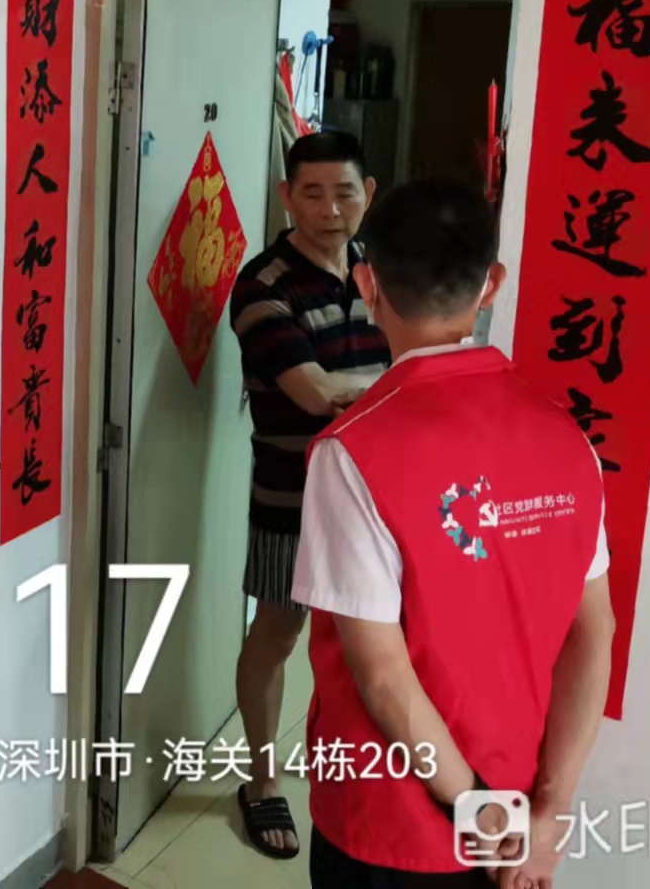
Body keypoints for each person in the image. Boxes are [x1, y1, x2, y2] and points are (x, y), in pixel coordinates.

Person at [292, 181, 615, 888]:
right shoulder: (568, 439)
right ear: (491, 283)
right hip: (517, 808)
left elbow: (383, 675)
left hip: (393, 824)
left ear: (366, 283)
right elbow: (595, 629)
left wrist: (481, 814)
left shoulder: (354, 452)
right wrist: (548, 812)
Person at [226, 129, 391, 858]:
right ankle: (261, 782)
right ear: (286, 196)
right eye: (313, 194)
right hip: (291, 496)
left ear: (368, 195)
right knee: (278, 631)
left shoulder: (380, 270)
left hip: (383, 500)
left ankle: (364, 775)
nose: (330, 209)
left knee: (374, 642)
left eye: (344, 193)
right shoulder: (263, 285)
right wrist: (403, 388)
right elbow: (316, 393)